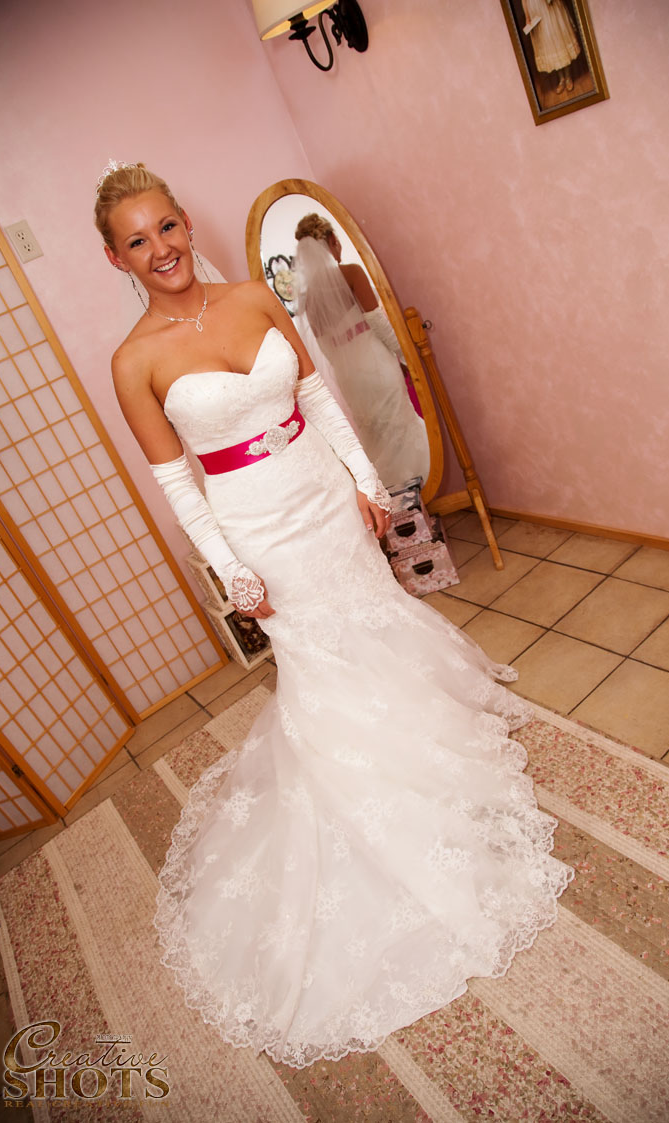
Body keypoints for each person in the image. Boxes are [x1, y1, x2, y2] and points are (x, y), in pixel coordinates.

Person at [95, 160, 573, 1069]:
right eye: (137, 240)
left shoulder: (252, 297)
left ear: (186, 222)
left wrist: (362, 478)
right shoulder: (133, 362)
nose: (160, 249)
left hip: (321, 490)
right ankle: (369, 802)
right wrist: (233, 570)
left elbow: (314, 395)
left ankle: (418, 739)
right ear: (115, 257)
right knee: (318, 658)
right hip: (257, 526)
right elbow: (176, 483)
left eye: (167, 227)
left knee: (372, 617)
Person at [293, 214, 430, 490]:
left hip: (350, 379)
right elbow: (378, 322)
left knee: (375, 437)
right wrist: (405, 356)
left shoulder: (308, 300)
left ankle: (394, 495)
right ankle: (423, 487)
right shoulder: (352, 273)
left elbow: (328, 351)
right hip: (376, 365)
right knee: (401, 426)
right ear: (332, 241)